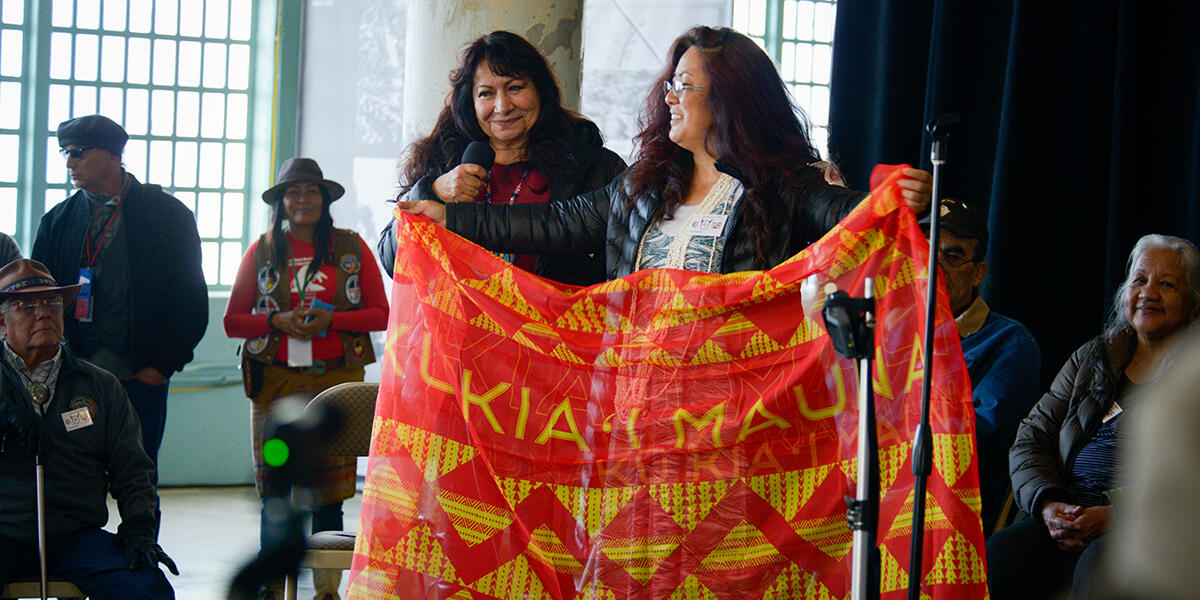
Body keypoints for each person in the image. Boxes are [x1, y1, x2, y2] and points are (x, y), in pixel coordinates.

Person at [399, 26, 931, 278]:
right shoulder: (644, 183)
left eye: (685, 85)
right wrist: (452, 217)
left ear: (729, 98)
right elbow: (547, 223)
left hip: (731, 403)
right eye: (670, 83)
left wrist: (894, 197)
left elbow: (839, 213)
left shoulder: (781, 181)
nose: (669, 96)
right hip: (635, 398)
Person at [987, 234, 1200, 599]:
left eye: (1166, 284)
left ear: (1193, 303)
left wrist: (1116, 513)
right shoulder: (1093, 357)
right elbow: (1031, 437)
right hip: (1067, 514)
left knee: (1099, 568)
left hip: (1146, 525)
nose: (1148, 293)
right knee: (998, 557)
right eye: (1139, 280)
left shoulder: (1191, 378)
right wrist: (1048, 504)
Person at [224, 157, 387, 600]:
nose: (302, 199)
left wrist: (331, 318)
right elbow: (233, 321)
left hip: (333, 389)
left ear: (325, 199)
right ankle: (271, 589)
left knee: (329, 492)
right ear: (280, 202)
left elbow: (382, 313)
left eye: (311, 191)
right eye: (292, 192)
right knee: (274, 487)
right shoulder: (261, 250)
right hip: (274, 387)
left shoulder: (351, 248)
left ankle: (326, 592)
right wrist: (276, 320)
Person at [378, 30, 626, 285]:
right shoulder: (441, 161)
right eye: (486, 93)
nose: (503, 106)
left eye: (515, 88)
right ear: (469, 102)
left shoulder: (592, 164)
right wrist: (432, 192)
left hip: (557, 323)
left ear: (541, 91)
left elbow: (625, 262)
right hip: (461, 325)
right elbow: (392, 262)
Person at [32, 114, 208, 468]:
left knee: (139, 473)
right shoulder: (59, 220)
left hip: (141, 376)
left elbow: (191, 301)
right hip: (75, 377)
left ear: (113, 155)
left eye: (78, 152)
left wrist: (162, 366)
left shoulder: (168, 217)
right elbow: (39, 300)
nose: (69, 162)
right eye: (65, 152)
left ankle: (140, 527)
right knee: (76, 473)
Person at [0, 259, 175, 598]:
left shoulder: (99, 386)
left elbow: (134, 471)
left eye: (51, 302)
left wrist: (140, 529)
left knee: (147, 589)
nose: (43, 313)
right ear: (1, 322)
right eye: (26, 305)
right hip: (4, 531)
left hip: (75, 536)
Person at [920, 198, 1040, 535]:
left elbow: (976, 443)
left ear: (978, 273)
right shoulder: (890, 330)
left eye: (953, 256)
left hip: (949, 514)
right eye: (928, 251)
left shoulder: (1010, 342)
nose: (935, 266)